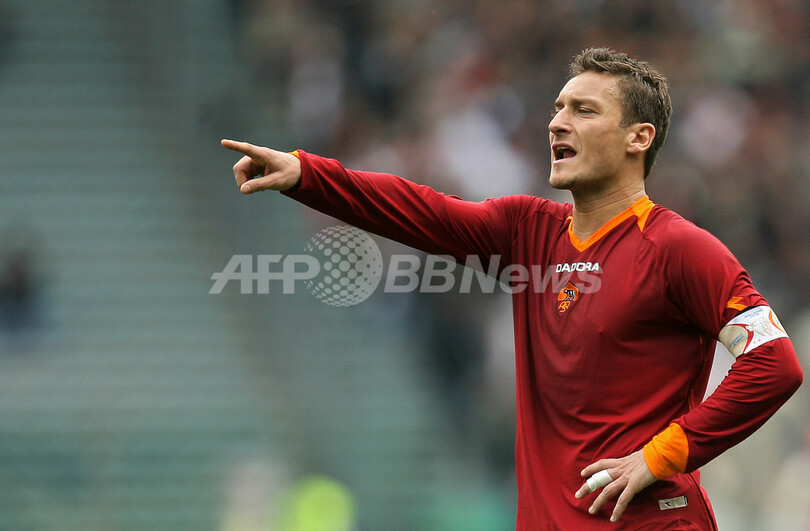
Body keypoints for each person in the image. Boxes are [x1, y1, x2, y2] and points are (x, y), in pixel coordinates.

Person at [221, 48, 803, 529]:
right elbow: (421, 210)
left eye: (583, 110)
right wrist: (308, 175)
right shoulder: (529, 231)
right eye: (557, 108)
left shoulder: (681, 250)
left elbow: (774, 363)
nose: (557, 122)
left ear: (638, 138)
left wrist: (661, 455)